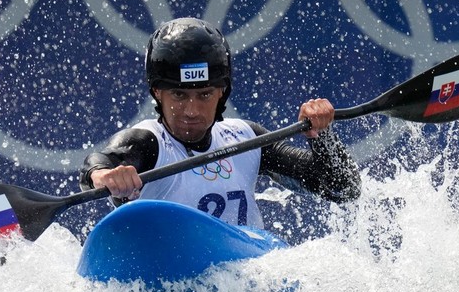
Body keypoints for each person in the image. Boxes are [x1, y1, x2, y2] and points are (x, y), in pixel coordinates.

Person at [80, 17, 360, 233]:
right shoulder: (147, 142)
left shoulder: (246, 138)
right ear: (157, 93)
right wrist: (103, 175)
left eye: (204, 95)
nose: (191, 110)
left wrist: (322, 137)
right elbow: (101, 160)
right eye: (179, 95)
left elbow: (343, 189)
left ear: (221, 94)